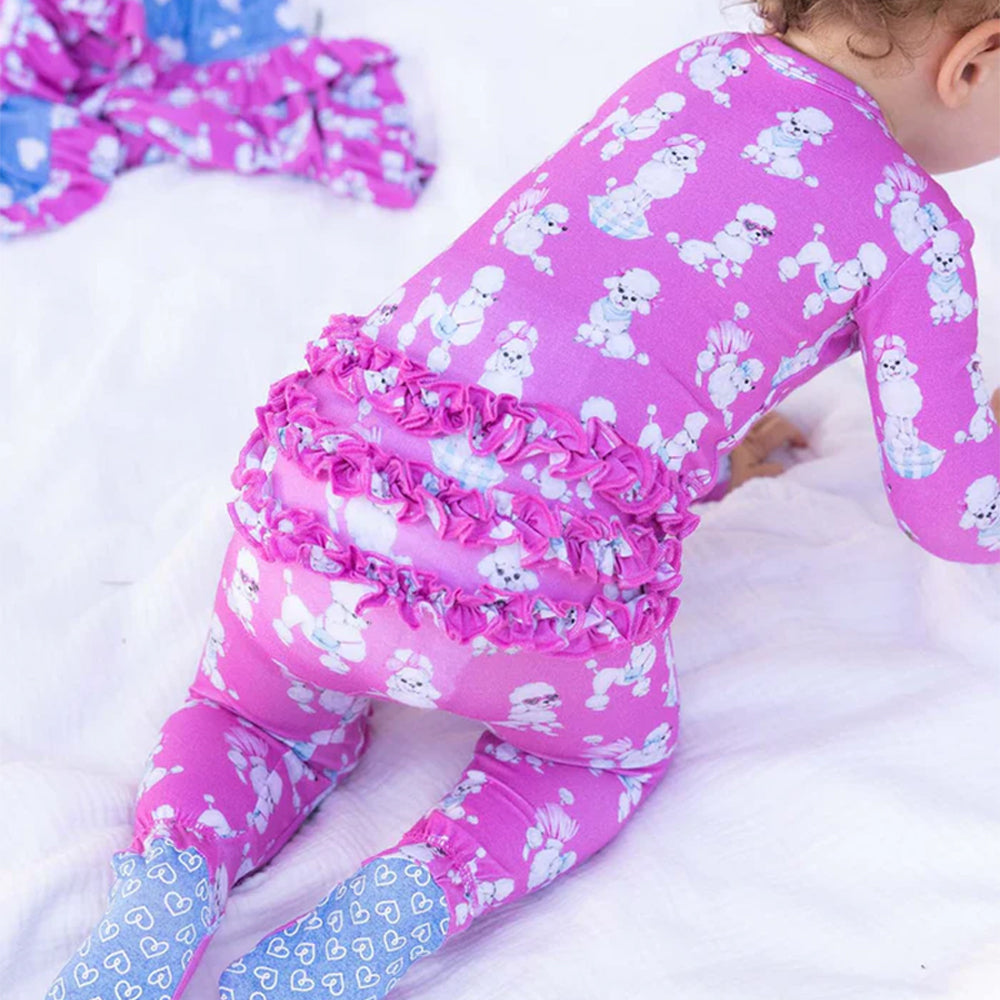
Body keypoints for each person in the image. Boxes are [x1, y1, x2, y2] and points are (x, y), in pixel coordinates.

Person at [44, 2, 1000, 999]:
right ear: (975, 58)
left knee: (249, 716)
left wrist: (707, 459)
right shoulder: (916, 229)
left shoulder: (702, 70)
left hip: (325, 490)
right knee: (599, 766)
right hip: (526, 601)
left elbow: (603, 323)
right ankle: (352, 943)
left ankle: (153, 911)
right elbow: (951, 513)